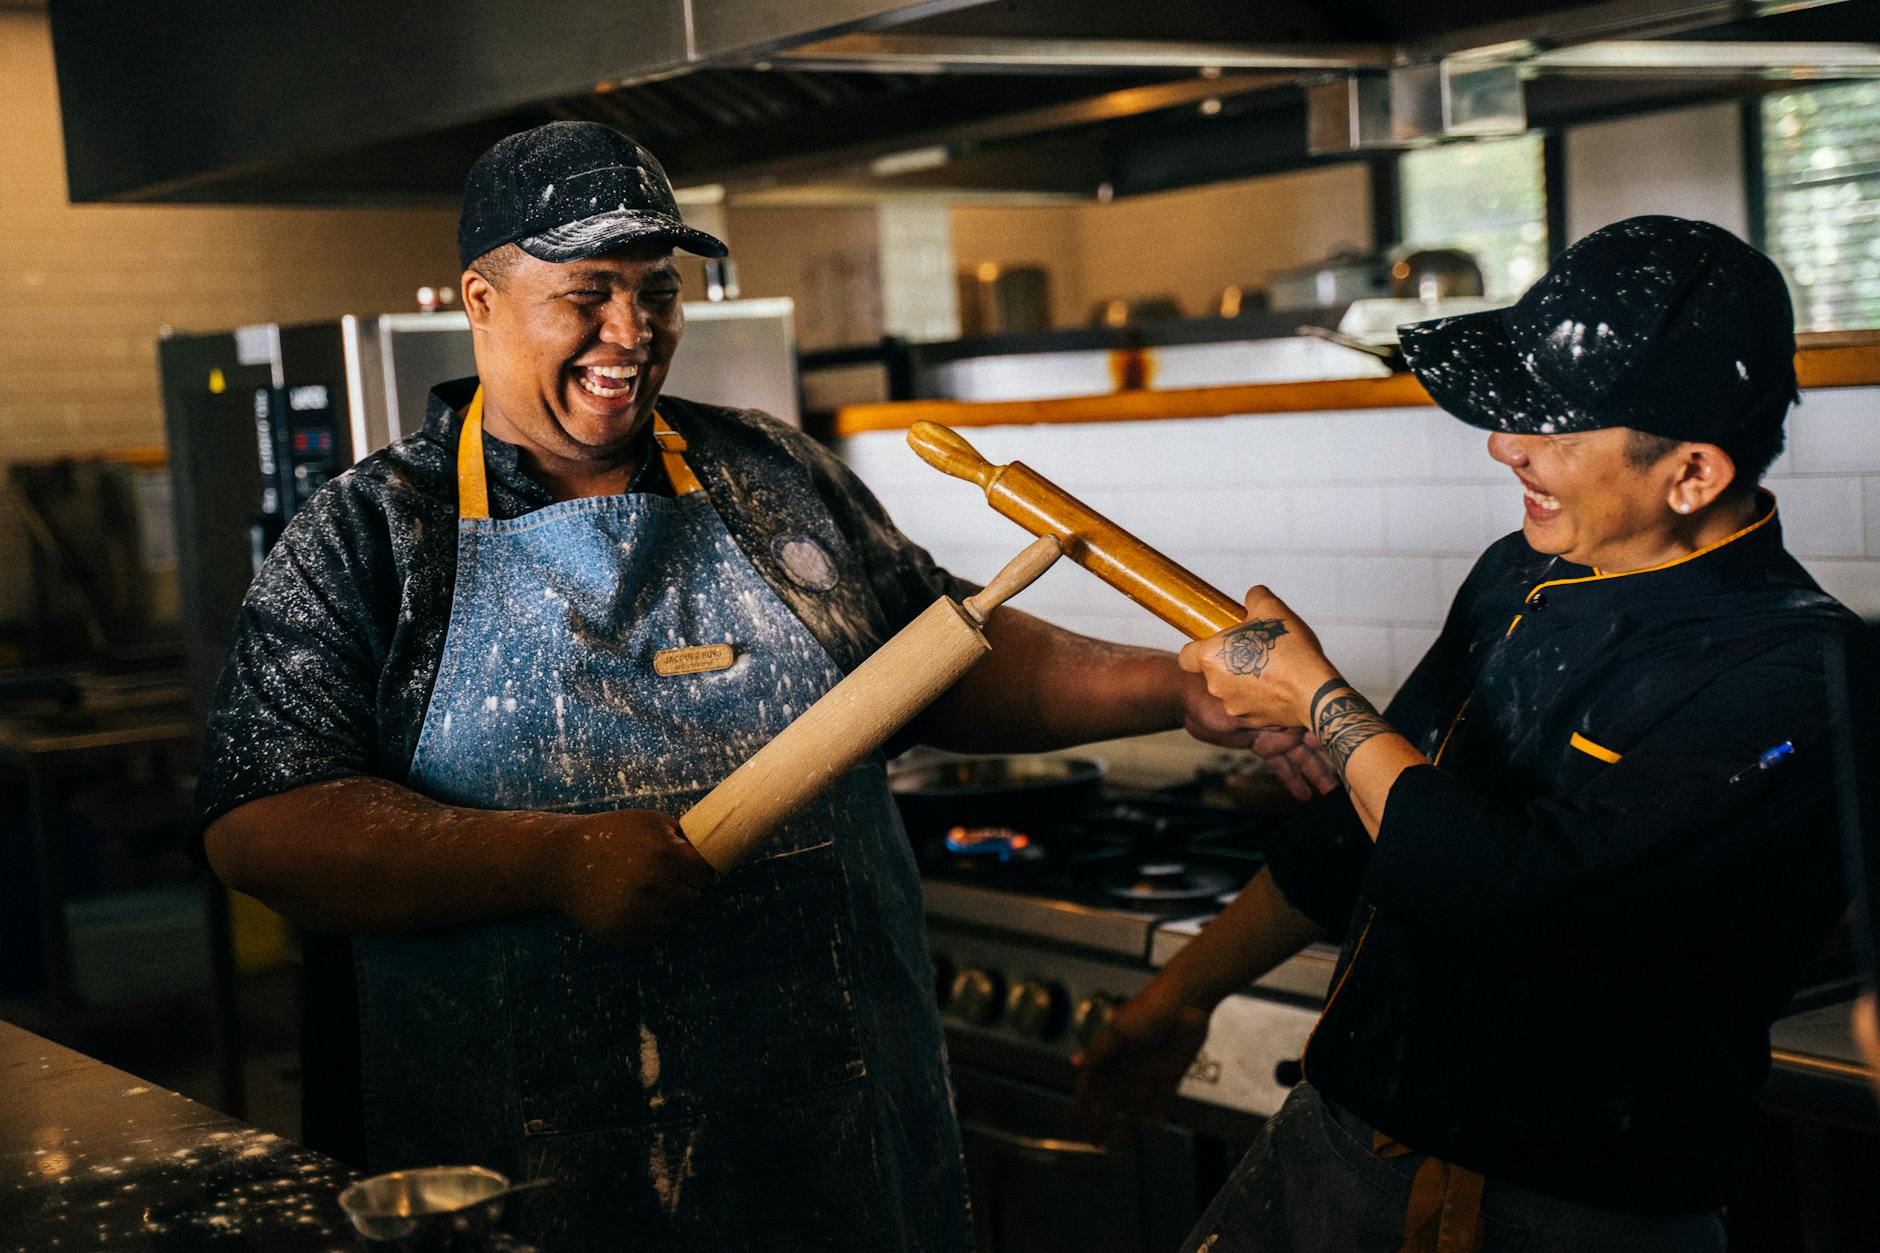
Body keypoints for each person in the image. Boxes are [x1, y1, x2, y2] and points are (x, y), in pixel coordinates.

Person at [193, 120, 1264, 1253]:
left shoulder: (772, 476)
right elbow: (264, 822)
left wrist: (1178, 684)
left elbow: (939, 660)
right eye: (588, 292)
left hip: (828, 1142)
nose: (632, 331)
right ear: (481, 298)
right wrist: (554, 859)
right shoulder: (373, 533)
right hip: (528, 1168)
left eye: (656, 291)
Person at [1075, 216, 1869, 1252]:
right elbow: (1360, 832)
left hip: (1564, 1215)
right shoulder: (1516, 573)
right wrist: (1179, 997)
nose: (1504, 446)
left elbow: (1509, 893)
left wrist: (1321, 701)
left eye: (1553, 426)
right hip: (1336, 1141)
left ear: (1691, 475)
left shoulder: (1792, 672)